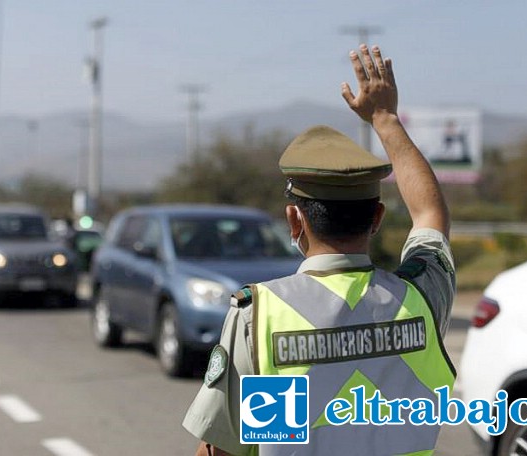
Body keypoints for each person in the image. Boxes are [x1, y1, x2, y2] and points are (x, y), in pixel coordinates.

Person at [183, 44, 456, 456]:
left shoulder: (262, 316)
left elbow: (223, 451)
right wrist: (385, 118)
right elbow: (429, 213)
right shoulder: (422, 298)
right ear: (377, 217)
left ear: (295, 221)